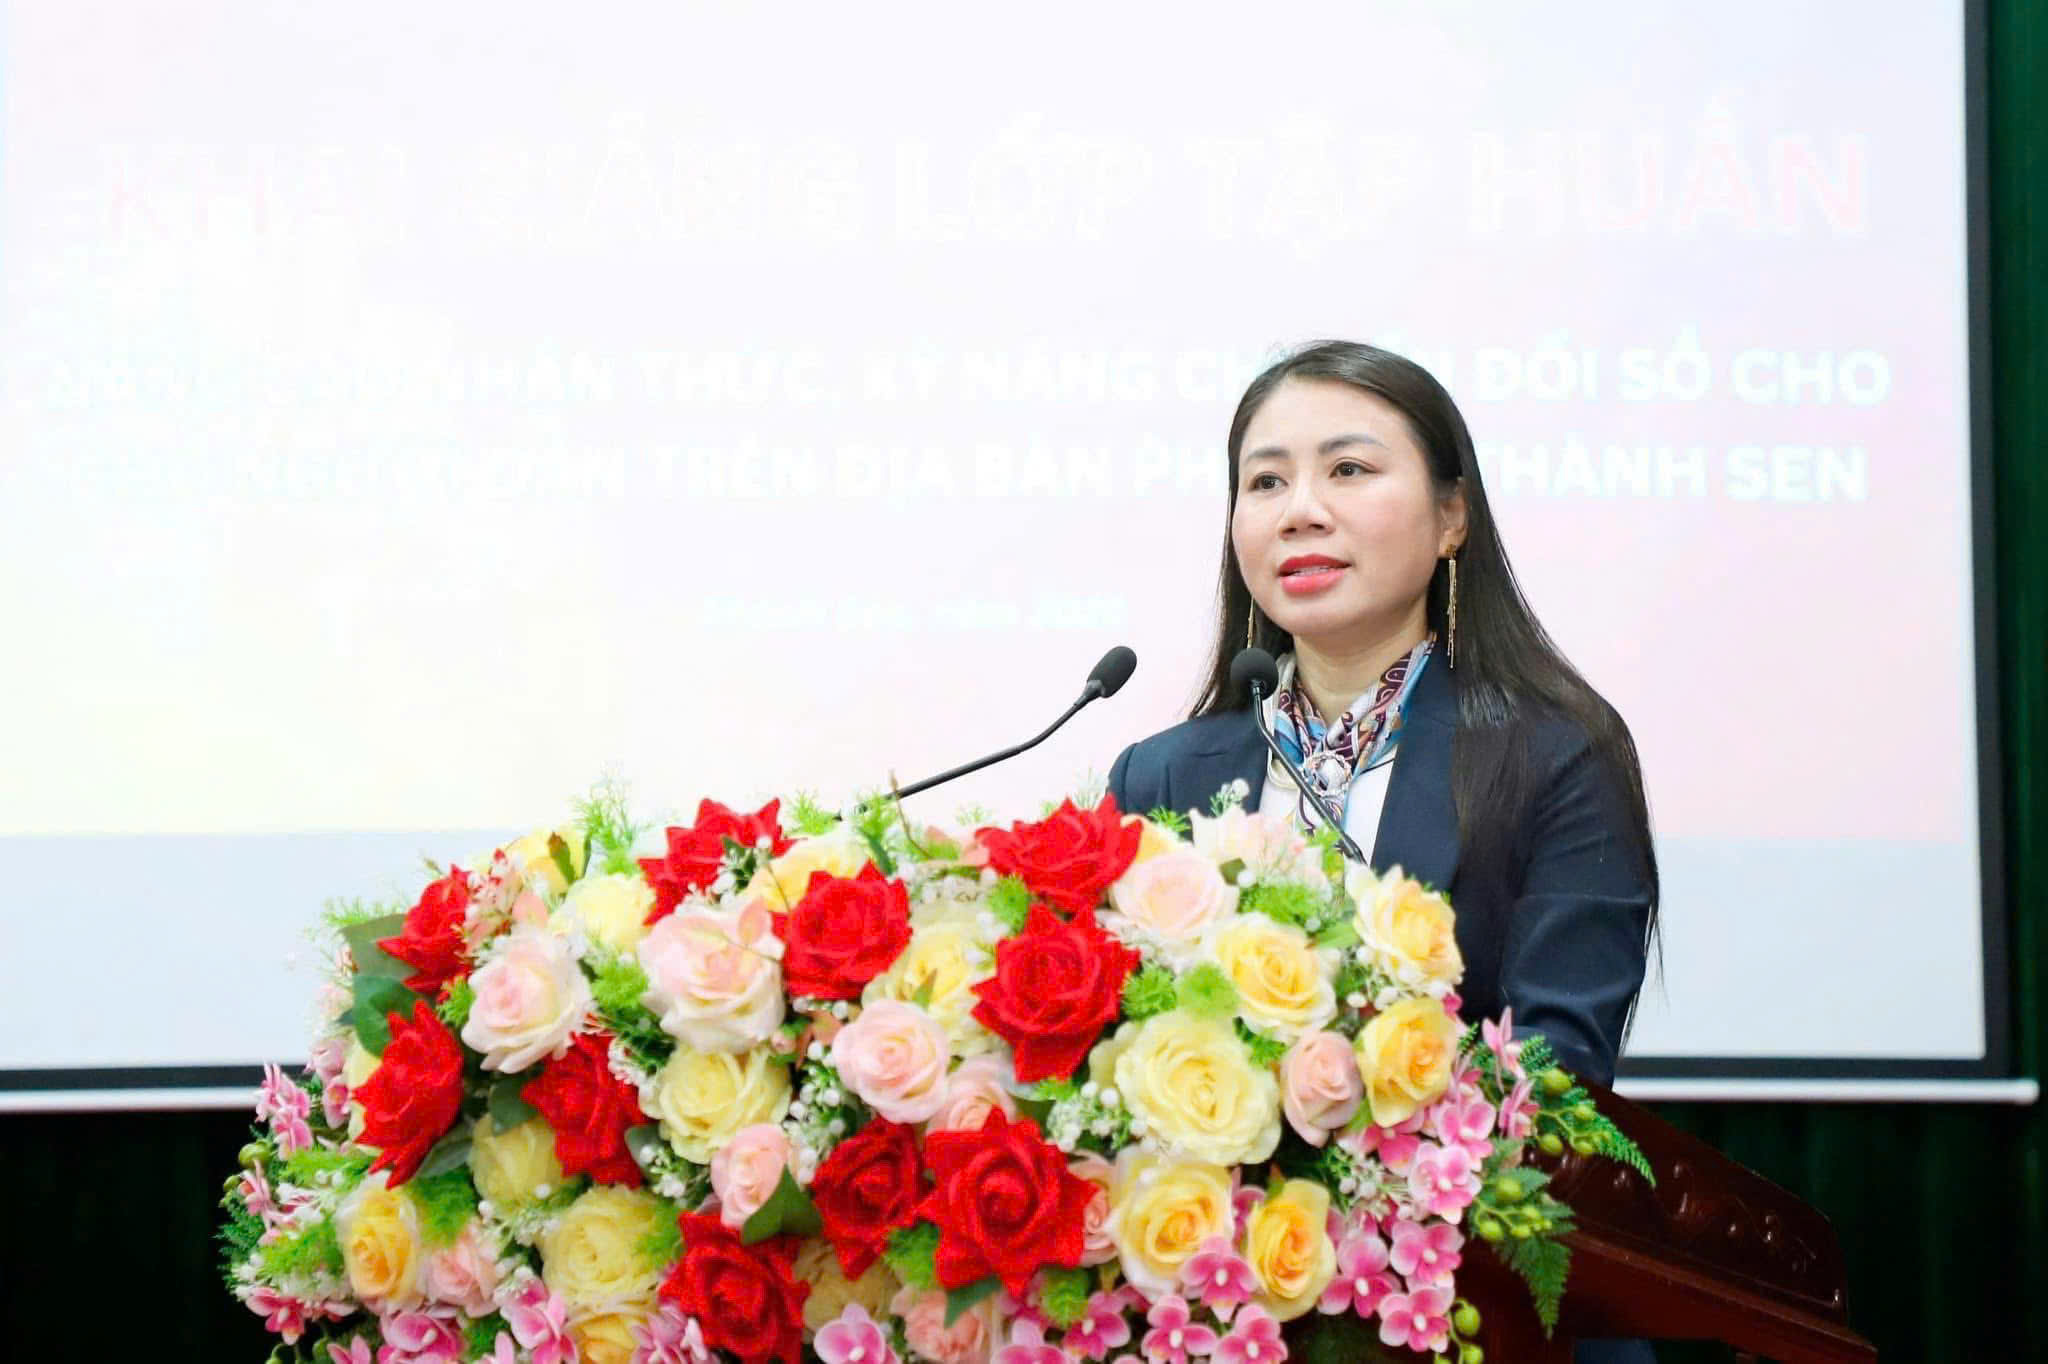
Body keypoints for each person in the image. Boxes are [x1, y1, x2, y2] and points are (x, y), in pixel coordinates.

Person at [1107, 341, 1657, 1360]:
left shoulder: (1552, 755)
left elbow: (1558, 1081)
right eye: (1265, 481)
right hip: (1214, 1315)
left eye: (1348, 469)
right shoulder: (1161, 776)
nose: (1299, 510)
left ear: (1451, 517)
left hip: (1474, 1316)